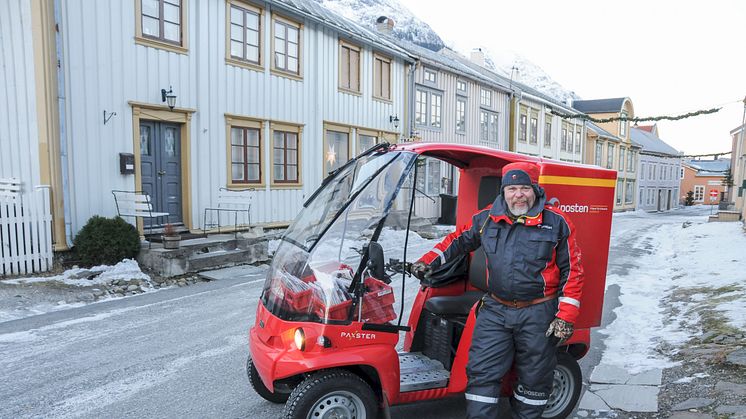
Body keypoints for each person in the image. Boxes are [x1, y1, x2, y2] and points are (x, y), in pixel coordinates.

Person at [410, 161, 584, 419]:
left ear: (535, 188)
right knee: (482, 373)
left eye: (524, 188)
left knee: (535, 379)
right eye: (512, 188)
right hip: (495, 309)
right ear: (503, 191)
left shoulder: (557, 222)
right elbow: (457, 241)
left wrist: (565, 317)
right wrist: (427, 261)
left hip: (538, 312)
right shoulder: (487, 218)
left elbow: (573, 271)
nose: (518, 195)